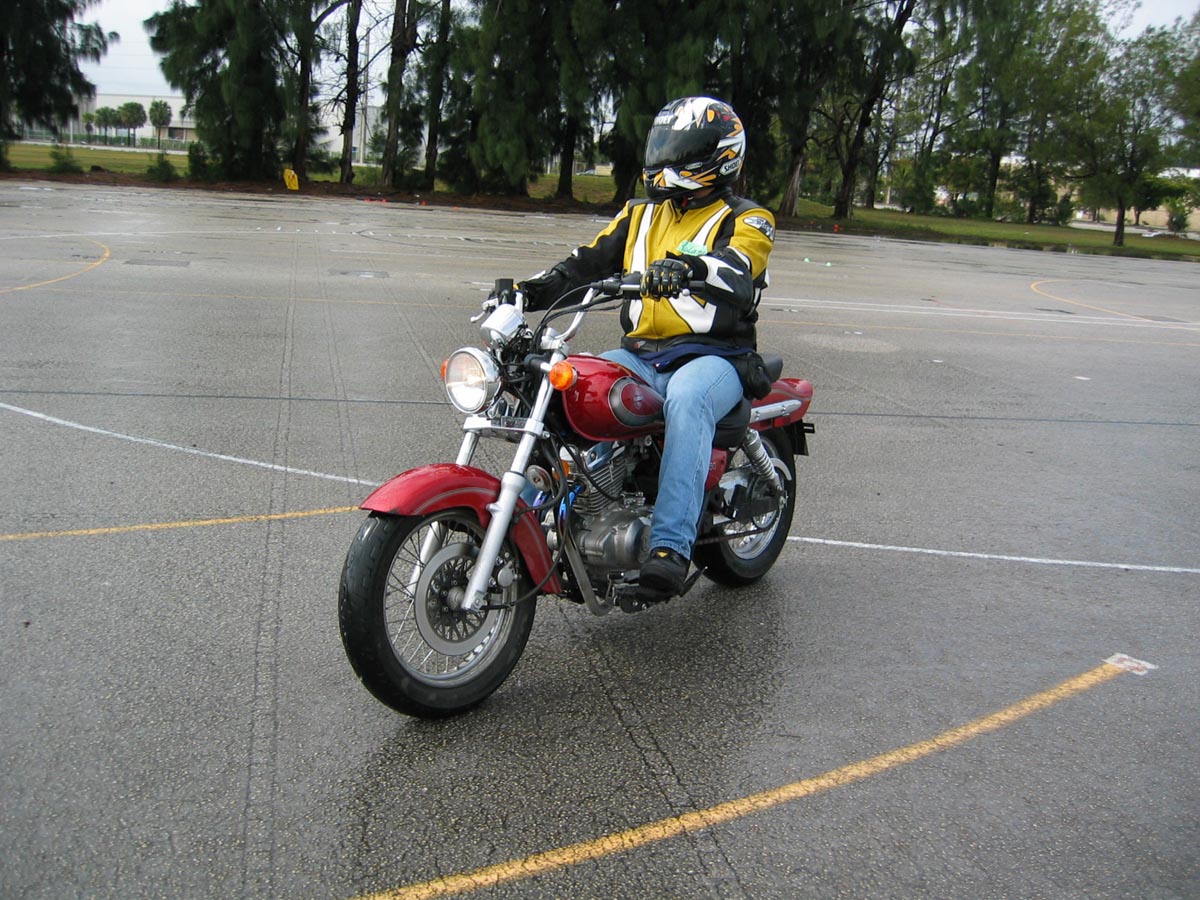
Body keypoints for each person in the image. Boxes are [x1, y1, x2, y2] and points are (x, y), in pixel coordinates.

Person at [516, 96, 776, 600]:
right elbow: (586, 262)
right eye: (662, 147)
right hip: (639, 355)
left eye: (678, 150)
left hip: (714, 358)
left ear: (717, 157)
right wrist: (528, 292)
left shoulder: (748, 217)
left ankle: (670, 549)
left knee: (688, 398)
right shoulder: (640, 214)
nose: (664, 160)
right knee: (569, 387)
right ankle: (531, 516)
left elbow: (740, 267)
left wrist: (691, 268)